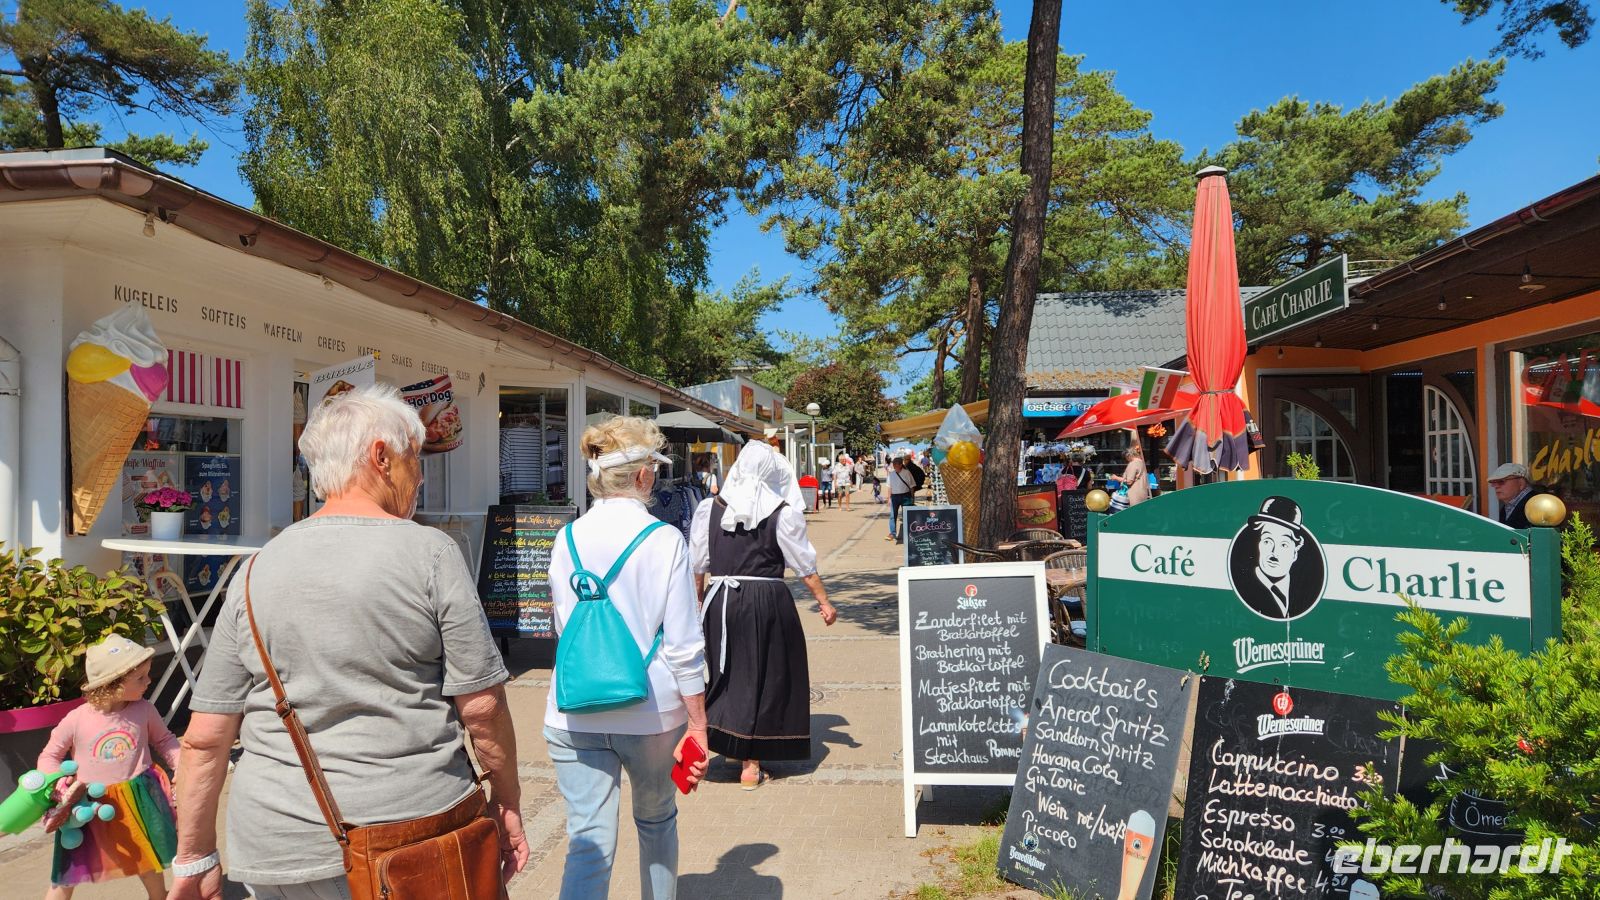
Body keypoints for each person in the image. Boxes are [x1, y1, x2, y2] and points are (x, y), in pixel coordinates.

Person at [171, 384, 529, 900]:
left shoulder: (253, 570)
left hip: (278, 845)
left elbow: (205, 737)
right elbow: (481, 707)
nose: (422, 475)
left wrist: (195, 856)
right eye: (415, 459)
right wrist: (507, 797)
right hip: (412, 835)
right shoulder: (430, 554)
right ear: (381, 457)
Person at [545, 416, 709, 899]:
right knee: (657, 821)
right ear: (641, 476)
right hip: (651, 713)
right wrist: (698, 724)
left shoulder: (565, 538)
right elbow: (683, 644)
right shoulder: (663, 540)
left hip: (573, 709)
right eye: (654, 470)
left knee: (588, 840)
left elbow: (564, 628)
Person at [690, 441, 836, 789]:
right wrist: (824, 602)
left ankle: (730, 745)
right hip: (766, 600)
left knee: (726, 672)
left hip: (720, 599)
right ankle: (750, 765)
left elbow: (697, 565)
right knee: (762, 676)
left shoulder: (708, 509)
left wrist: (697, 603)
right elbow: (804, 565)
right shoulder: (781, 512)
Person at [38, 634, 178, 899]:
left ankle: (158, 897)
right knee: (69, 868)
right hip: (88, 805)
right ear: (112, 685)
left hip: (137, 799)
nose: (149, 681)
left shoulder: (144, 710)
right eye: (140, 678)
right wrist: (56, 782)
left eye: (147, 675)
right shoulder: (76, 719)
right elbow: (49, 755)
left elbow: (165, 740)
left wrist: (182, 766)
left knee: (146, 858)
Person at [1229, 497, 1322, 620]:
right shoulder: (1242, 587)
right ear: (1259, 544)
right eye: (1268, 541)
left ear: (1295, 552)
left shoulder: (1306, 589)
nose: (1274, 552)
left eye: (1284, 544)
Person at [1488, 462, 1546, 528]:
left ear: (1521, 483)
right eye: (1493, 482)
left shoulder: (1537, 504)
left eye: (1501, 481)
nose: (1496, 486)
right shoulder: (1506, 507)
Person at [886, 456, 918, 543]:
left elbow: (912, 486)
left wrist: (912, 498)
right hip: (894, 497)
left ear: (901, 464)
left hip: (905, 496)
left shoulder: (907, 473)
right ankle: (892, 533)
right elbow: (889, 487)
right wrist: (888, 499)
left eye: (896, 464)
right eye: (894, 464)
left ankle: (909, 533)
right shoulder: (891, 474)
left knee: (906, 516)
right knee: (893, 516)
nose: (895, 465)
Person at [1110, 442, 1150, 510]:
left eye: (1126, 458)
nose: (1126, 460)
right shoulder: (1141, 463)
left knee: (1133, 514)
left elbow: (1129, 482)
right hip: (1142, 493)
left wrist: (1116, 478)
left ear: (1129, 456)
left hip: (1134, 495)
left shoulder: (1133, 464)